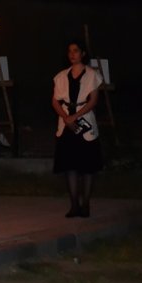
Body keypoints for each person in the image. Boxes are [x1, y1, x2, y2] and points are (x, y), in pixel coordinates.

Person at [51, 40, 103, 217]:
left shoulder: (92, 75)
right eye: (69, 51)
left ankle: (86, 203)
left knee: (87, 167)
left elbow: (93, 100)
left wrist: (76, 116)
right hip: (66, 125)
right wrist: (66, 117)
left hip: (84, 123)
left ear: (82, 53)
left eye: (75, 51)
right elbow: (55, 101)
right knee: (70, 166)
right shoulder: (61, 76)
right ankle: (74, 204)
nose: (72, 54)